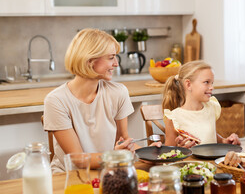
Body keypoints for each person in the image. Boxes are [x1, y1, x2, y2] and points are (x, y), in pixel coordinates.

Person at [43, 28, 160, 173]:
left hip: (109, 170)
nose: (116, 64)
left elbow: (123, 140)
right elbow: (78, 158)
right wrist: (116, 156)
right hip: (69, 177)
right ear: (90, 60)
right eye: (111, 57)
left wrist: (154, 154)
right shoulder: (56, 101)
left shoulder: (118, 92)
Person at [162, 60, 241, 148]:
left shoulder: (211, 107)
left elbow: (210, 135)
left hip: (212, 162)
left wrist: (225, 141)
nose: (212, 87)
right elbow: (168, 154)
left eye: (212, 83)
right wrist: (181, 150)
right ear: (188, 84)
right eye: (206, 82)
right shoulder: (173, 118)